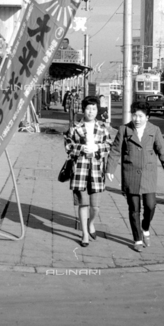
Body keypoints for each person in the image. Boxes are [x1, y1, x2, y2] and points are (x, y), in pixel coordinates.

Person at [106, 101, 164, 252]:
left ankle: (145, 227)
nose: (137, 119)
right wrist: (110, 169)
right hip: (130, 174)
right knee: (134, 208)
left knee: (151, 206)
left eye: (140, 116)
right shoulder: (124, 129)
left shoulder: (155, 130)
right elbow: (115, 151)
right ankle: (137, 239)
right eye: (134, 115)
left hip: (149, 175)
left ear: (147, 117)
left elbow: (162, 151)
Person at [64, 96, 113, 247]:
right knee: (83, 204)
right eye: (88, 108)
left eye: (94, 109)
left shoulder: (103, 128)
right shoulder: (75, 127)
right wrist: (80, 148)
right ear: (83, 110)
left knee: (95, 207)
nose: (91, 112)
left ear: (97, 111)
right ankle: (84, 233)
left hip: (97, 170)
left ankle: (91, 223)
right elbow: (67, 145)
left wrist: (98, 147)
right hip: (80, 169)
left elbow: (109, 145)